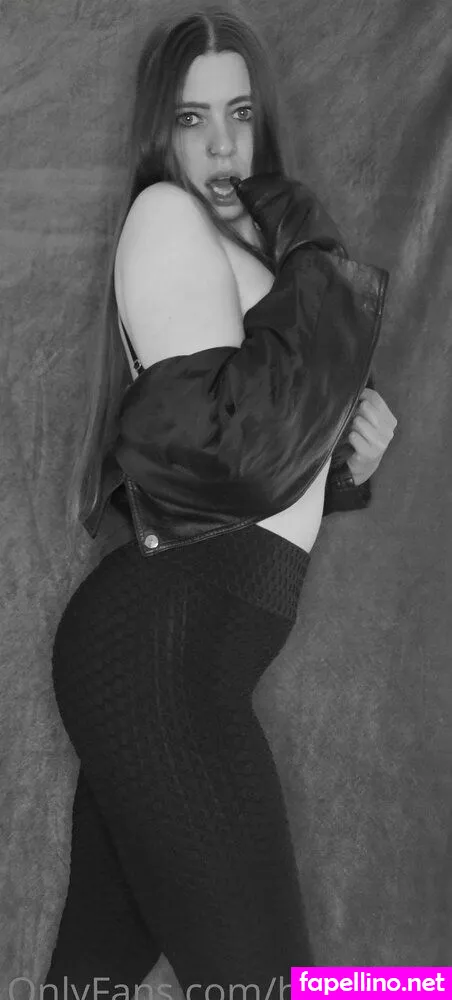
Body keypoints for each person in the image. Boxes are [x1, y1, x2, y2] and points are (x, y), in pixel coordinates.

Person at [44, 4, 397, 997]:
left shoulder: (250, 248)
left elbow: (257, 459)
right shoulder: (167, 217)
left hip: (172, 653)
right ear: (158, 131)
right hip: (164, 657)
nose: (220, 145)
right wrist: (317, 255)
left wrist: (349, 458)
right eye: (191, 119)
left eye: (238, 114)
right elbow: (233, 458)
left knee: (92, 975)